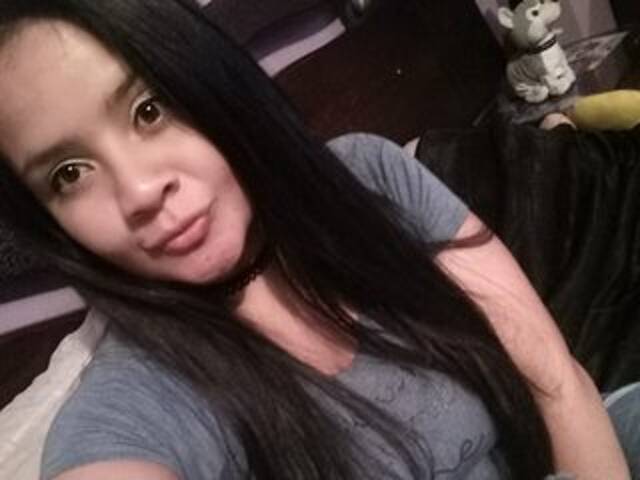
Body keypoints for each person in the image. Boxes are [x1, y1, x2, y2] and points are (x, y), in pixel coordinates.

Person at [0, 1, 635, 479]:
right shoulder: (138, 401)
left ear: (211, 82)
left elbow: (553, 378)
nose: (139, 190)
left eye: (149, 109)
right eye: (68, 174)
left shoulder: (365, 177)